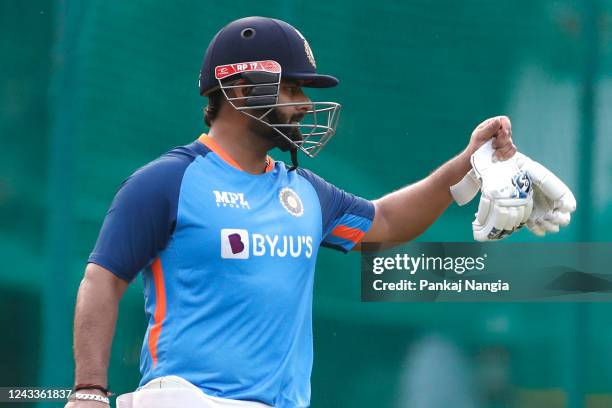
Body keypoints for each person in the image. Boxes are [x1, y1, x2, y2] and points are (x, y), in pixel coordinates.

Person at [65, 16, 518, 408]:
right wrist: (89, 388)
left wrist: (468, 165)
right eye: (292, 87)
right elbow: (102, 279)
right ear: (240, 88)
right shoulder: (166, 182)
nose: (303, 104)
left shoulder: (303, 191)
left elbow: (387, 224)